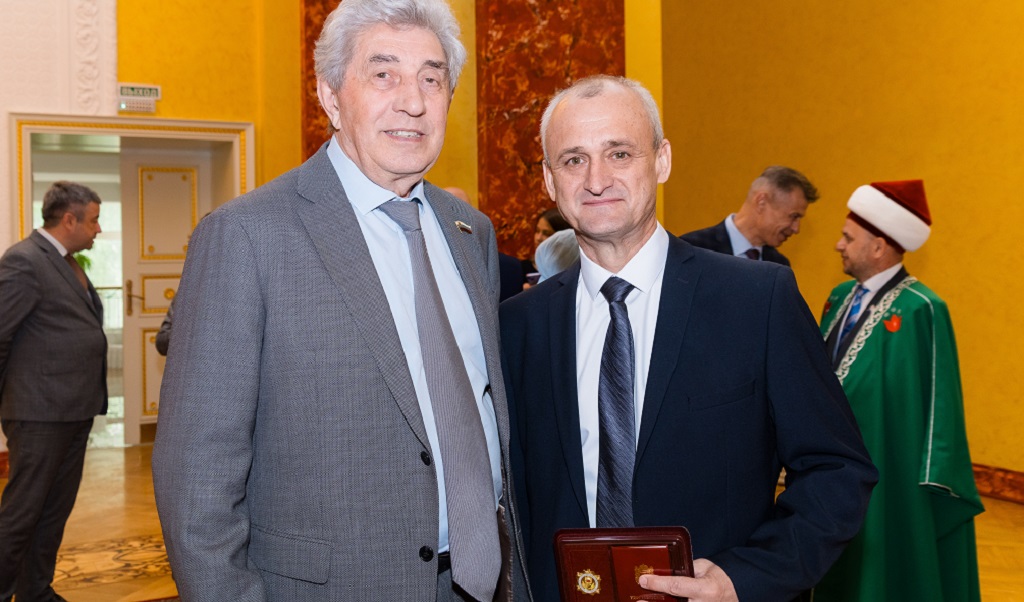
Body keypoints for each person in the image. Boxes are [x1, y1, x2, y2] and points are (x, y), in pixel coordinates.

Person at [151, 1, 529, 600]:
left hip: (479, 581)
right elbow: (197, 475)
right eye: (383, 74)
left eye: (432, 79)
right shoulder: (247, 235)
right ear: (330, 96)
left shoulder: (470, 232)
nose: (413, 101)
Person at [500, 75, 877, 602]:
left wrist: (745, 577)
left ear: (662, 160)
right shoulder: (517, 325)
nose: (597, 179)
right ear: (548, 180)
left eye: (620, 153)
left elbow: (836, 469)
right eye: (573, 160)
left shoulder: (757, 300)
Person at [815, 180, 983, 601]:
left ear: (878, 247)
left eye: (848, 238)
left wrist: (935, 477)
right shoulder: (838, 297)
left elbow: (941, 403)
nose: (838, 245)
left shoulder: (922, 308)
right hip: (833, 467)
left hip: (891, 471)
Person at [0, 181, 107, 602]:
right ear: (69, 219)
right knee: (22, 514)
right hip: (39, 412)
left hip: (73, 409)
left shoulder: (66, 261)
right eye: (94, 220)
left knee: (52, 512)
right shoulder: (25, 260)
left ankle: (35, 592)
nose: (98, 229)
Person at [682, 165, 818, 266]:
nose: (796, 229)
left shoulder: (779, 265)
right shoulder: (692, 249)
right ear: (761, 202)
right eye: (794, 216)